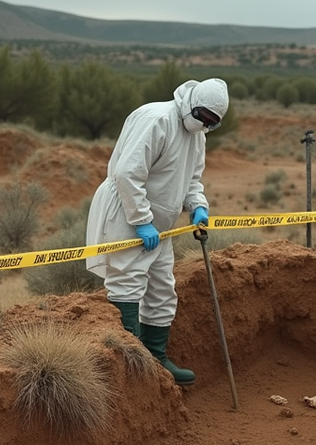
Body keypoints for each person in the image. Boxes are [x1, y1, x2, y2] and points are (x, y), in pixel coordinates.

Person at [85, 78, 229, 385]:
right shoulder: (158, 119)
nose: (204, 124)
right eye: (202, 116)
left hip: (161, 224)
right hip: (128, 213)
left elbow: (192, 179)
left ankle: (156, 357)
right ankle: (129, 366)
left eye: (211, 123)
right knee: (127, 281)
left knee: (163, 288)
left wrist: (197, 205)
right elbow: (127, 174)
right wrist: (140, 219)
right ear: (192, 104)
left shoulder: (197, 135)